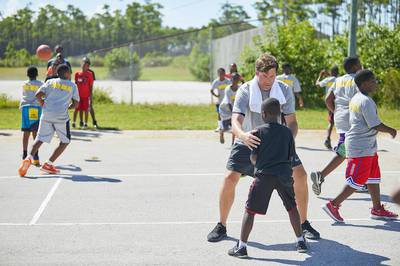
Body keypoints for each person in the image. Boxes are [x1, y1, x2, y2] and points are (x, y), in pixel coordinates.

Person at [207, 53, 320, 243]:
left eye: (272, 76)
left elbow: (292, 123)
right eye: (265, 76)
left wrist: (286, 140)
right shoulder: (245, 90)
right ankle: (221, 225)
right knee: (229, 178)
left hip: (277, 143)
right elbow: (235, 121)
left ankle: (304, 223)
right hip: (249, 140)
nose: (269, 80)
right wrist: (242, 135)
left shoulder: (284, 90)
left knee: (300, 176)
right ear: (256, 73)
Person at [228, 98, 307, 258]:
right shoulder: (287, 132)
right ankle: (300, 241)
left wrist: (257, 163)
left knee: (250, 210)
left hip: (264, 176)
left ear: (263, 114)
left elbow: (254, 158)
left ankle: (242, 247)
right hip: (284, 175)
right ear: (279, 114)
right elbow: (291, 156)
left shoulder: (258, 131)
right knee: (292, 207)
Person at [322, 69, 398, 222]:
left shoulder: (357, 98)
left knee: (373, 177)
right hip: (360, 147)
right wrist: (390, 130)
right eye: (373, 81)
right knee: (357, 180)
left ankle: (377, 209)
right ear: (364, 83)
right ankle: (333, 204)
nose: (375, 83)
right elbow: (375, 124)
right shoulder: (365, 101)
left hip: (367, 146)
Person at [310, 57, 362, 196]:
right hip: (354, 120)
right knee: (347, 150)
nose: (361, 65)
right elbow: (362, 100)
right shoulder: (358, 79)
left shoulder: (338, 80)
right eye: (360, 63)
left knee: (351, 149)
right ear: (355, 66)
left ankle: (361, 181)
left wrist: (336, 112)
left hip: (341, 119)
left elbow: (328, 100)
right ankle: (322, 175)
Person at [18, 64, 80, 177]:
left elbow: (38, 95)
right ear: (66, 73)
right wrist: (69, 107)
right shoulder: (72, 85)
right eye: (69, 72)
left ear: (57, 73)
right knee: (65, 141)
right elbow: (76, 103)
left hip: (46, 114)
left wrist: (43, 104)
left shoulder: (50, 82)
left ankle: (28, 158)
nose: (70, 74)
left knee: (39, 139)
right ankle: (48, 164)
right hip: (61, 117)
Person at [20, 66, 43, 166]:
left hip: (25, 108)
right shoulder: (40, 84)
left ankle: (25, 154)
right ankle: (35, 156)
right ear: (37, 74)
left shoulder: (24, 84)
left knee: (26, 132)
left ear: (27, 75)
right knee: (35, 132)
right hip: (35, 108)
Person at [316, 66, 339, 150]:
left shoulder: (328, 79)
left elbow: (317, 84)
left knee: (331, 122)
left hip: (330, 102)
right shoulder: (340, 79)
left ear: (331, 72)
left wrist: (320, 75)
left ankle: (327, 139)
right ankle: (341, 140)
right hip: (339, 102)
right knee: (340, 121)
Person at [218, 73, 241, 145]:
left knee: (235, 126)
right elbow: (228, 103)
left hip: (234, 109)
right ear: (231, 79)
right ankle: (221, 132)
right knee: (226, 128)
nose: (235, 81)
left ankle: (233, 143)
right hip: (225, 109)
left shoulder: (240, 88)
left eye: (237, 79)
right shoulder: (228, 89)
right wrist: (233, 113)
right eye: (234, 79)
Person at [73, 57, 94, 129]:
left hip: (86, 95)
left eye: (87, 65)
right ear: (81, 64)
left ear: (88, 66)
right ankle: (77, 122)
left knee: (86, 109)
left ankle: (85, 123)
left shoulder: (90, 74)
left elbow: (91, 86)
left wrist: (91, 96)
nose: (85, 66)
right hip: (78, 96)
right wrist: (74, 95)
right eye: (84, 64)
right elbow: (75, 85)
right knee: (78, 109)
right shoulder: (77, 74)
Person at [83, 57, 99, 128]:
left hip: (88, 93)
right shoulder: (80, 72)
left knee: (90, 107)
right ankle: (82, 122)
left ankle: (94, 121)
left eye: (86, 62)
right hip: (81, 93)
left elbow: (91, 85)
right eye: (84, 62)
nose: (85, 63)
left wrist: (90, 94)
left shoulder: (91, 73)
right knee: (80, 108)